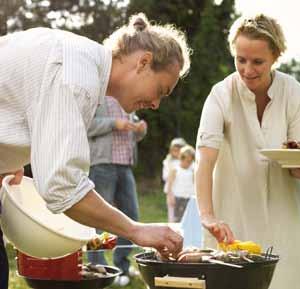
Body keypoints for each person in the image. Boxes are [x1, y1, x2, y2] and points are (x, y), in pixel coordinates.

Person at [0, 12, 191, 289]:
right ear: (144, 62)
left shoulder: (78, 58)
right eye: (161, 90)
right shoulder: (77, 77)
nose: (155, 104)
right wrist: (135, 230)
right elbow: (62, 187)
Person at [195, 13, 300, 289]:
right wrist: (207, 215)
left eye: (257, 62)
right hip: (235, 209)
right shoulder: (220, 95)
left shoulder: (294, 93)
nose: (247, 69)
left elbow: (298, 161)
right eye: (240, 59)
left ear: (276, 57)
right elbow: (204, 160)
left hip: (289, 208)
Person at [87, 95, 146, 286]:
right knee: (98, 220)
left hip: (125, 165)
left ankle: (121, 265)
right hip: (102, 164)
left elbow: (132, 129)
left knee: (131, 216)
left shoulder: (127, 96)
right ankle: (98, 268)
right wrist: (114, 123)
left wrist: (139, 130)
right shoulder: (97, 96)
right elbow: (85, 125)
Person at [166, 145, 195, 222]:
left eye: (191, 161)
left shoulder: (192, 170)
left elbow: (194, 184)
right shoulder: (175, 170)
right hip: (177, 197)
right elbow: (170, 184)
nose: (189, 163)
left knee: (187, 219)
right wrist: (170, 196)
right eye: (187, 161)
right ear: (181, 159)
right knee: (176, 219)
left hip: (189, 197)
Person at [162, 138, 187, 222]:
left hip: (184, 193)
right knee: (172, 216)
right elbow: (165, 177)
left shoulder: (187, 163)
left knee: (184, 216)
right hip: (172, 192)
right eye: (174, 150)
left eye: (179, 150)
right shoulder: (168, 162)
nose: (177, 153)